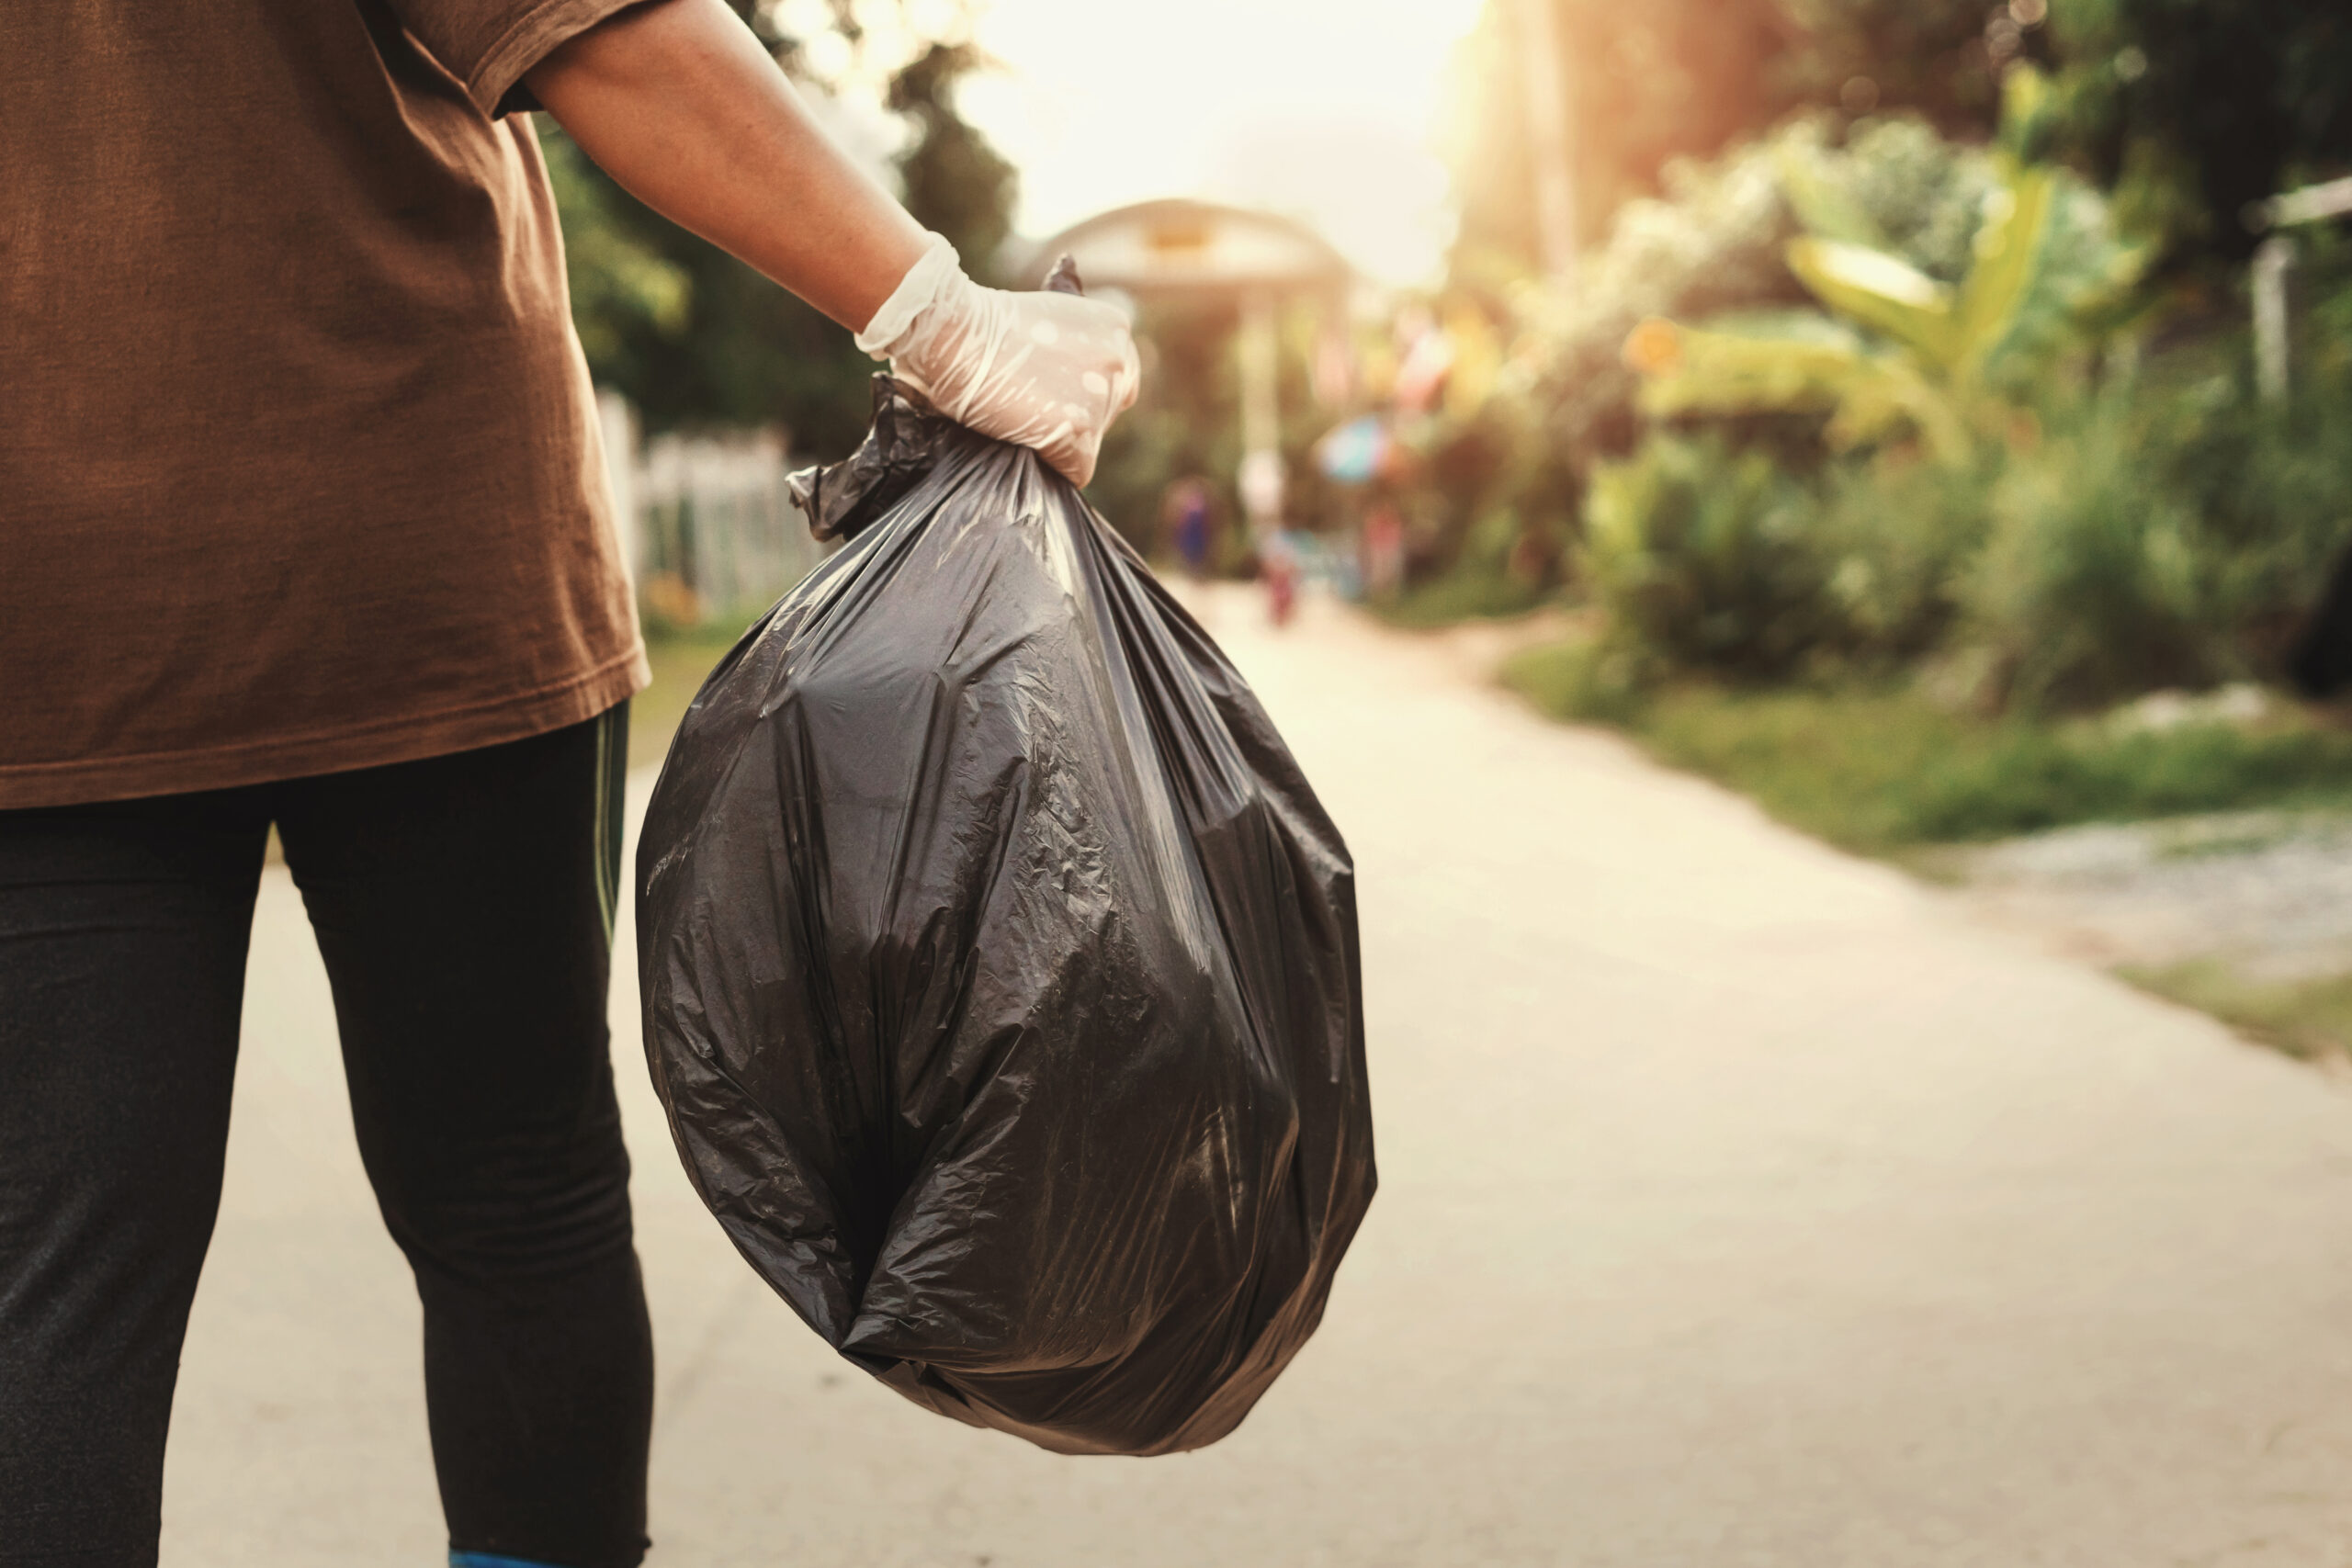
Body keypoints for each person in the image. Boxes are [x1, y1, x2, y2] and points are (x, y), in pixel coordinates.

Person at [0, 3, 1136, 1565]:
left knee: (57, 1282)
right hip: (417, 556)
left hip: (40, 605)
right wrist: (946, 320)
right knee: (511, 1208)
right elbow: (603, 33)